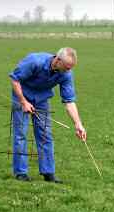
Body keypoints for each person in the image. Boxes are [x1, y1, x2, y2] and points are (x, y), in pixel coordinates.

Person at [9, 47, 86, 183]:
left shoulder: (66, 74)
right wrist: (23, 102)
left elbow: (69, 101)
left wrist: (78, 124)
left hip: (41, 99)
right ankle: (21, 173)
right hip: (21, 95)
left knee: (45, 135)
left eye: (71, 68)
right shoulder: (35, 61)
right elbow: (15, 79)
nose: (68, 71)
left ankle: (48, 173)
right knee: (21, 134)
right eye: (67, 67)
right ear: (57, 60)